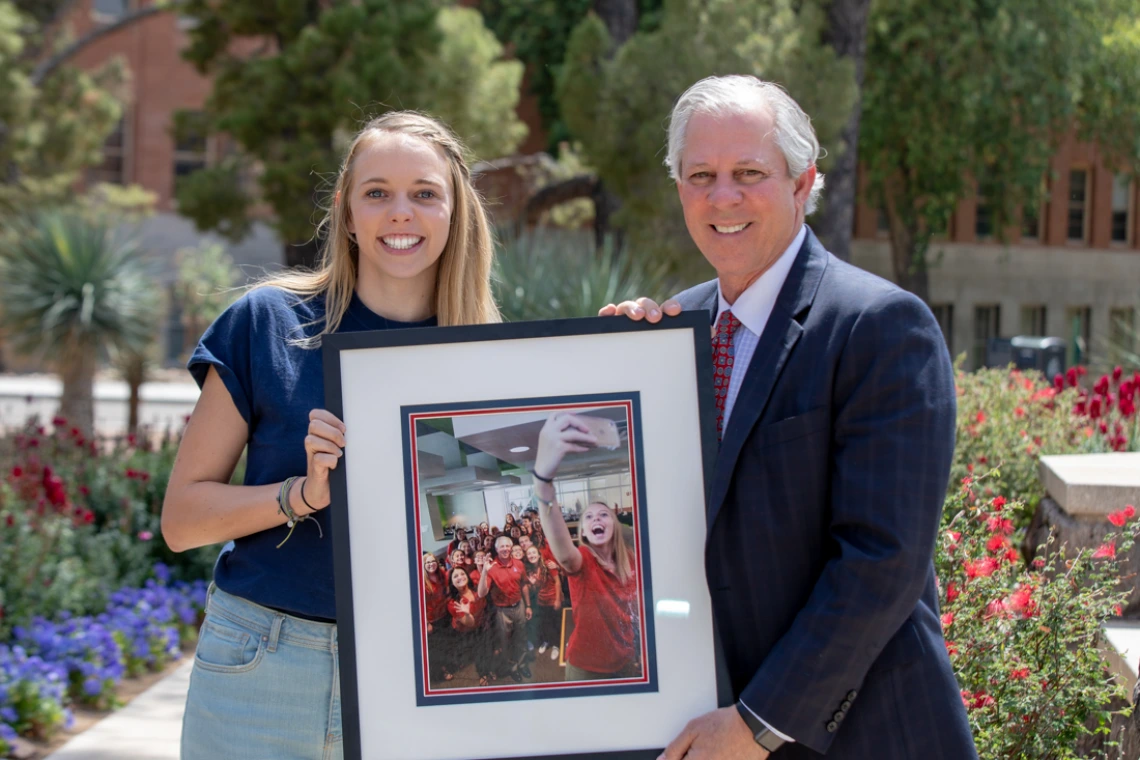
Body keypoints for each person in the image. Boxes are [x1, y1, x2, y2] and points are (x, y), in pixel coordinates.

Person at [601, 75, 976, 759]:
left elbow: (880, 561)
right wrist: (605, 384)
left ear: (804, 184)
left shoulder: (881, 327)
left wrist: (757, 724)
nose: (723, 197)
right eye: (701, 175)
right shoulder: (666, 333)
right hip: (703, 730)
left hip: (859, 735)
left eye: (749, 173)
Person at [164, 110, 501, 760]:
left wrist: (639, 333)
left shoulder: (489, 360)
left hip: (415, 676)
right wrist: (299, 495)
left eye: (425, 194)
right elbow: (182, 521)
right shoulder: (267, 324)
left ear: (456, 213)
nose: (400, 212)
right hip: (259, 667)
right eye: (377, 193)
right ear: (347, 213)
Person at [531, 414, 641, 682]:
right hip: (586, 669)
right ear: (582, 533)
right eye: (589, 517)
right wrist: (542, 481)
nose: (596, 519)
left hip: (626, 662)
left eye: (603, 515)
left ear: (614, 525)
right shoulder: (581, 561)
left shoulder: (631, 560)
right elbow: (564, 555)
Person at [477, 535, 532, 682]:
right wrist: (484, 571)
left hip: (519, 605)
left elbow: (524, 585)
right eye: (502, 546)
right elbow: (481, 593)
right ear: (496, 549)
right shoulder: (491, 567)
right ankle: (512, 668)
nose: (505, 549)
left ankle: (522, 664)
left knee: (521, 637)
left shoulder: (519, 564)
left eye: (508, 546)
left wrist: (528, 606)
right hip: (502, 611)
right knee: (505, 642)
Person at [446, 566, 493, 686]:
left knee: (484, 650)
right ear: (452, 583)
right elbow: (470, 624)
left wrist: (484, 572)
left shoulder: (475, 588)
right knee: (472, 652)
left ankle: (485, 671)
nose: (460, 577)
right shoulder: (453, 603)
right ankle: (480, 672)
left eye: (462, 574)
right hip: (466, 631)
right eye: (455, 576)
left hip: (482, 624)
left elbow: (483, 594)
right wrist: (467, 613)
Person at [523, 545, 563, 661]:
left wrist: (557, 600)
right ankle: (546, 642)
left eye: (534, 553)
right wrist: (533, 584)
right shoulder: (530, 570)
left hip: (553, 598)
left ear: (539, 554)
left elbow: (557, 582)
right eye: (529, 554)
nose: (532, 555)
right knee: (545, 623)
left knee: (555, 623)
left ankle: (556, 645)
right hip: (541, 600)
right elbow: (537, 589)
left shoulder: (548, 564)